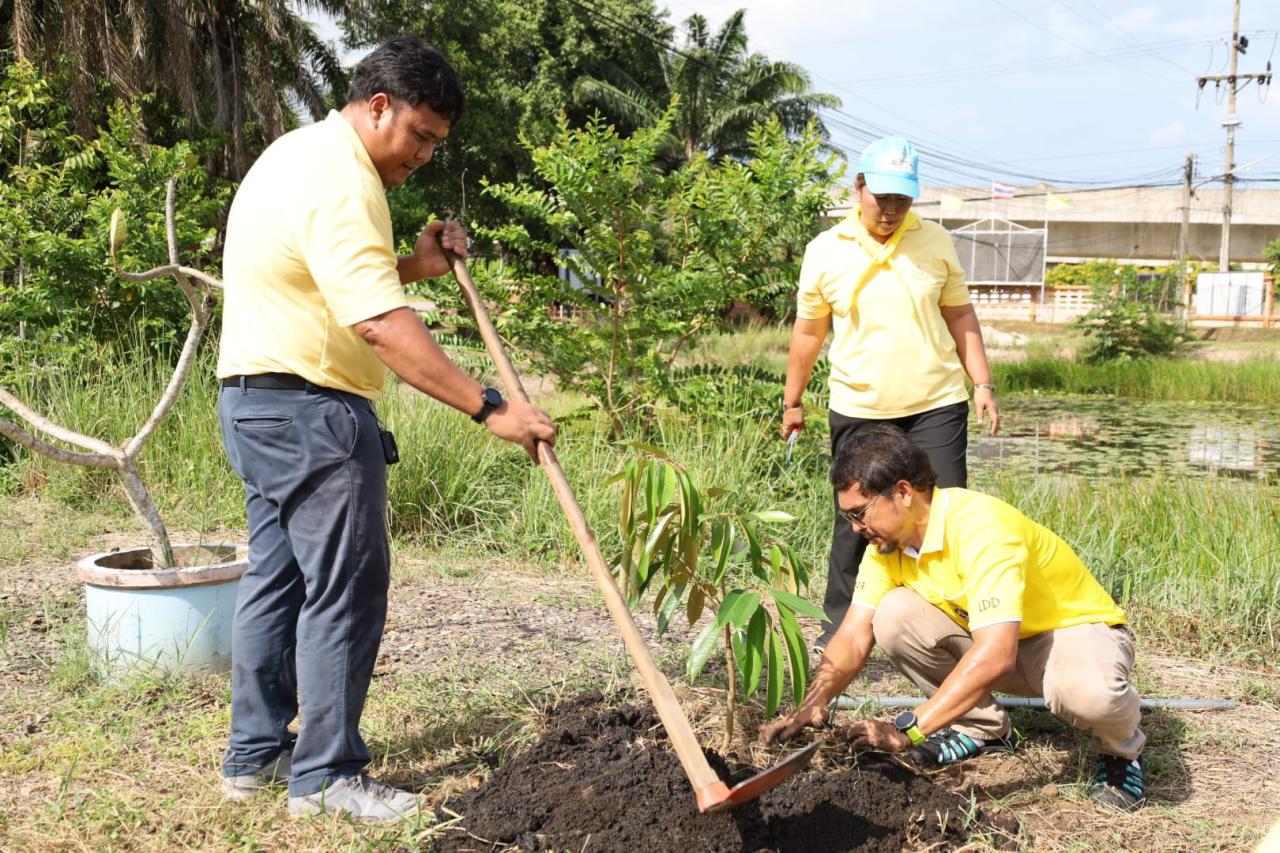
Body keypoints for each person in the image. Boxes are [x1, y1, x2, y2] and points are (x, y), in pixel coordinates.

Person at [214, 36, 557, 821]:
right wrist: (492, 407)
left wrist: (416, 264)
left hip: (255, 403)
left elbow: (335, 281)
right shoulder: (344, 180)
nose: (426, 157)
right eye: (422, 136)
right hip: (313, 413)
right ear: (379, 107)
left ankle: (255, 755)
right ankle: (328, 776)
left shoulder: (298, 155)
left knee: (280, 580)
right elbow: (378, 325)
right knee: (345, 587)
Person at [761, 425, 1147, 811]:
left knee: (1090, 693)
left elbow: (996, 654)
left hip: (1069, 637)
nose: (856, 529)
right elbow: (853, 636)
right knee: (892, 615)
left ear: (903, 492)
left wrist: (908, 730)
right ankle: (983, 729)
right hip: (1000, 647)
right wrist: (815, 701)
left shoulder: (982, 527)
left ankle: (1121, 752)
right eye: (849, 517)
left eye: (860, 514)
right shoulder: (887, 551)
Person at [781, 135, 1001, 654]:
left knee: (944, 516)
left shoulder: (935, 241)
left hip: (936, 402)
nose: (891, 211)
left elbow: (959, 315)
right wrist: (793, 401)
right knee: (858, 519)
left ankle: (948, 627)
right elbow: (809, 332)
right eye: (882, 198)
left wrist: (982, 383)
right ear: (858, 188)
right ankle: (840, 631)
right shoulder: (825, 250)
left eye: (902, 199)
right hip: (860, 405)